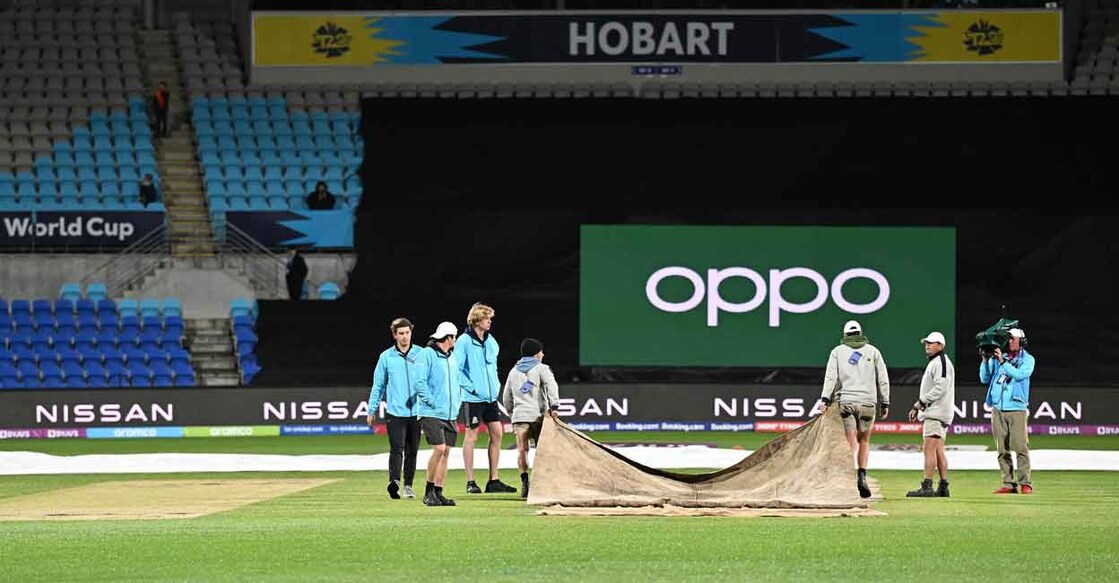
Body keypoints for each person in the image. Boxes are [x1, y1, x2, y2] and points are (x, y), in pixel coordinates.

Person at [817, 320, 890, 499]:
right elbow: (883, 378)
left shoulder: (837, 352)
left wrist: (825, 399)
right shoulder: (873, 351)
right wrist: (885, 402)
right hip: (867, 403)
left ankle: (847, 479)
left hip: (846, 401)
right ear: (860, 333)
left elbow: (830, 377)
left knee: (850, 442)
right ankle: (862, 475)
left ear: (845, 335)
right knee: (864, 441)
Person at [455, 303, 517, 494]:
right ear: (477, 320)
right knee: (471, 436)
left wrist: (495, 386)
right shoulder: (464, 341)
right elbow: (456, 370)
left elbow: (492, 367)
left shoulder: (491, 341)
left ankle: (494, 480)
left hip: (490, 398)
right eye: (487, 319)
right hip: (473, 398)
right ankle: (470, 481)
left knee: (497, 433)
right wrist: (471, 388)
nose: (490, 322)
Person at [366, 317, 424, 500]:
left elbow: (430, 381)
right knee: (397, 448)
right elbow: (378, 385)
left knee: (413, 451)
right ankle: (395, 482)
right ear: (394, 335)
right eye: (401, 333)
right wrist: (371, 409)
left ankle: (408, 486)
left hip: (417, 412)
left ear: (411, 332)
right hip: (395, 412)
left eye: (407, 333)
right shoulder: (386, 357)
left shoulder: (421, 354)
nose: (405, 337)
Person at [415, 321, 471, 506]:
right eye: (454, 337)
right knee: (439, 449)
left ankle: (438, 493)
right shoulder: (426, 355)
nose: (455, 340)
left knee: (446, 451)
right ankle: (428, 491)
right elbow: (420, 383)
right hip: (431, 411)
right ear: (448, 338)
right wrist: (432, 402)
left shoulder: (451, 357)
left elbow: (456, 382)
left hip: (450, 413)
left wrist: (459, 399)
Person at [501, 337, 560, 499]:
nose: (542, 354)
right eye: (540, 351)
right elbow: (552, 386)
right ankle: (543, 484)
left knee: (522, 451)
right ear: (535, 354)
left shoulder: (513, 371)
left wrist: (513, 414)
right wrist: (554, 406)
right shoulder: (542, 368)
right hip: (539, 417)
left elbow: (507, 397)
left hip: (520, 417)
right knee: (544, 451)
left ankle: (525, 483)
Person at [980, 327, 1036, 494]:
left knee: (1020, 447)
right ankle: (1008, 484)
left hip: (1016, 408)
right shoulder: (999, 357)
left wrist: (1003, 362)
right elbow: (985, 378)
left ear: (1022, 341)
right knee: (1001, 449)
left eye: (1012, 338)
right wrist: (985, 360)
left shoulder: (1028, 359)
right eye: (1008, 338)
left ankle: (1025, 483)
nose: (1009, 341)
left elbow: (1019, 375)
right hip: (998, 408)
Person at [907, 331, 956, 498]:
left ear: (940, 346)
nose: (927, 345)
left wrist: (920, 403)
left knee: (929, 448)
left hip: (936, 413)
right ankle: (943, 486)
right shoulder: (939, 361)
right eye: (926, 342)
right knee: (938, 450)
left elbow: (940, 387)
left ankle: (927, 486)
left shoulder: (940, 362)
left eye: (931, 342)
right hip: (939, 412)